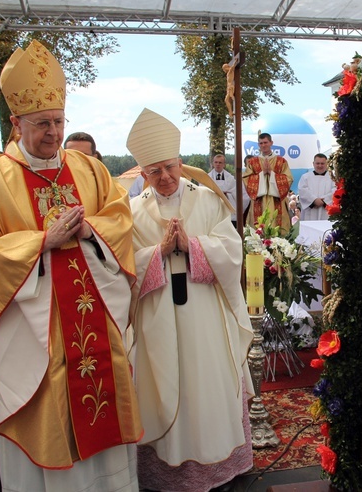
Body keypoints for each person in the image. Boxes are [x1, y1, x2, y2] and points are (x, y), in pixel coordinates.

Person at [0, 40, 142, 491]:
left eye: (58, 122)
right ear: (15, 124)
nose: (53, 133)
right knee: (47, 424)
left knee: (106, 424)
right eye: (41, 124)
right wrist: (42, 242)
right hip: (35, 337)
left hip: (96, 330)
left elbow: (119, 219)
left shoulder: (89, 170)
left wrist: (89, 231)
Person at [127, 108, 254, 491]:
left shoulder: (209, 201)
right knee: (164, 383)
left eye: (169, 167)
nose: (164, 177)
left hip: (205, 317)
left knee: (207, 383)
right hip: (157, 319)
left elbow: (233, 252)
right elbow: (124, 268)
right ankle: (165, 472)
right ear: (143, 174)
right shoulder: (131, 212)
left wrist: (192, 246)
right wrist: (158, 253)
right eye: (154, 171)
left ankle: (217, 466)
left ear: (181, 162)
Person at [243, 133, 293, 231]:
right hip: (258, 201)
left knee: (276, 227)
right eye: (261, 143)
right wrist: (262, 174)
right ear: (258, 145)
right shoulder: (253, 162)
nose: (263, 145)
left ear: (271, 143)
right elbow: (246, 180)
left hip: (276, 201)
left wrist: (271, 173)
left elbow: (288, 179)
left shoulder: (281, 161)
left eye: (265, 142)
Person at [297, 153, 336, 221]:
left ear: (326, 164)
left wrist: (324, 201)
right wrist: (314, 200)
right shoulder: (305, 177)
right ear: (313, 163)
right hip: (310, 211)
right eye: (317, 163)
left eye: (322, 163)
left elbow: (335, 191)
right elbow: (302, 191)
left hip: (326, 211)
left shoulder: (332, 177)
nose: (320, 166)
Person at [210, 153, 241, 226]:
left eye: (220, 162)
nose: (218, 164)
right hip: (213, 207)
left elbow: (236, 193)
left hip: (227, 207)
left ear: (224, 164)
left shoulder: (230, 179)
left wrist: (227, 194)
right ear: (213, 164)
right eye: (216, 162)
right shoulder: (207, 178)